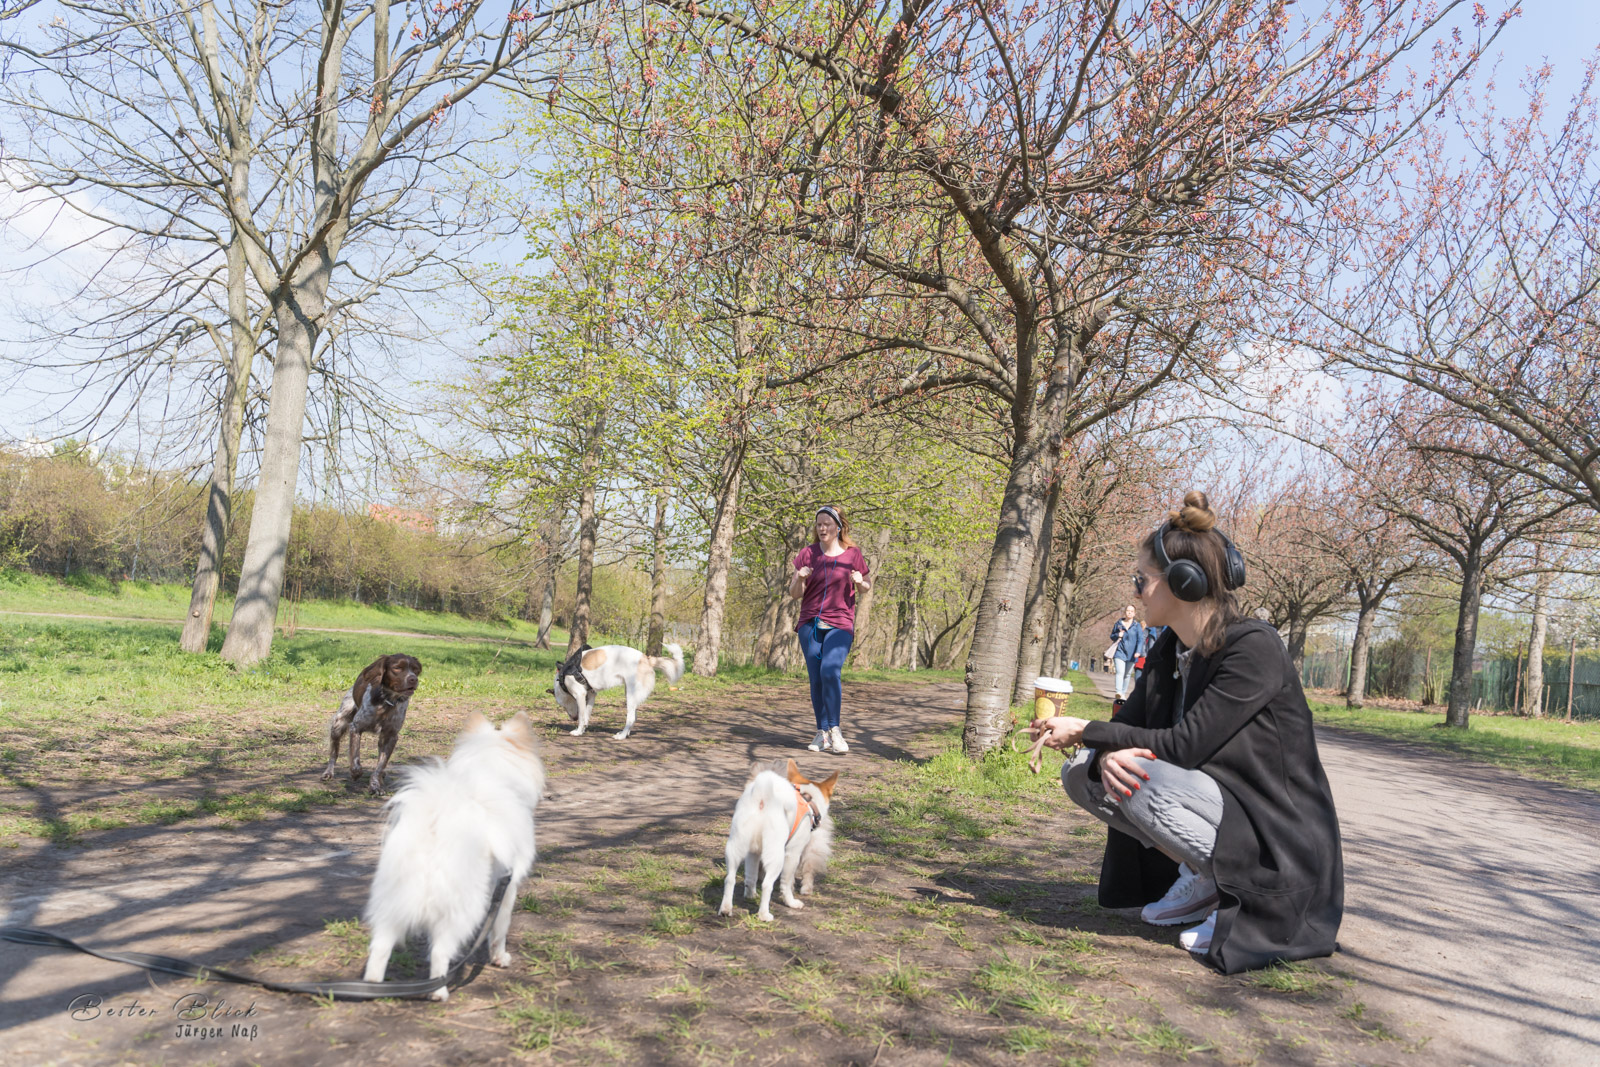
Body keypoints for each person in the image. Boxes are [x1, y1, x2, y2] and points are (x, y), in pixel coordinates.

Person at [1028, 491, 1343, 974]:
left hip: (1275, 832)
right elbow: (1125, 726)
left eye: (1141, 580)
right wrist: (1078, 736)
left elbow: (1186, 745)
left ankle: (1242, 891)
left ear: (1182, 582)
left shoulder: (1253, 647)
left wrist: (1089, 731)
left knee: (1135, 770)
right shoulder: (1171, 648)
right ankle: (1202, 875)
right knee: (1082, 771)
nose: (1135, 592)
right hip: (1220, 804)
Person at [788, 505, 871, 754]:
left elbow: (867, 585)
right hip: (810, 623)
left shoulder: (853, 555)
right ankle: (821, 733)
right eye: (819, 524)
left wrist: (860, 582)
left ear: (838, 527)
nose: (822, 528)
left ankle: (835, 730)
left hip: (840, 623)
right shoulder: (807, 555)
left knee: (830, 670)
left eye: (827, 524)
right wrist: (799, 578)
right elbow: (794, 594)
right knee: (816, 678)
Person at [1105, 605, 1144, 700]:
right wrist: (1118, 634)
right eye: (1128, 610)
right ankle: (1118, 692)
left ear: (1134, 613)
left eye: (1131, 611)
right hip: (1119, 652)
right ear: (1125, 612)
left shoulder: (1137, 625)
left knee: (1127, 674)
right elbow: (1112, 636)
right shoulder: (1118, 624)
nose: (1129, 612)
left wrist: (1138, 651)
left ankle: (1123, 693)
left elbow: (1140, 640)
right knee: (1120, 672)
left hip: (1132, 654)